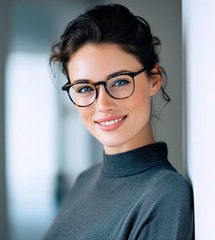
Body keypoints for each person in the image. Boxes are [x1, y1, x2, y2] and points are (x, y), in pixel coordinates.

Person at [43, 4, 194, 240]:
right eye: (84, 88)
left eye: (120, 82)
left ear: (154, 78)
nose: (102, 104)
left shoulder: (165, 194)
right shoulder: (85, 180)